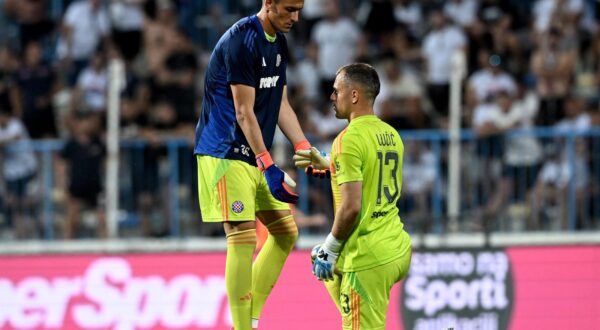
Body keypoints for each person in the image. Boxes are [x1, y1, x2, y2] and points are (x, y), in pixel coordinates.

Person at [194, 1, 315, 329]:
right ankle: (242, 327)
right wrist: (268, 163)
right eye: (289, 9)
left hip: (253, 154)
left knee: (285, 233)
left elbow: (280, 103)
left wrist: (303, 146)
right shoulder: (242, 40)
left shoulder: (279, 42)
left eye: (300, 9)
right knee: (243, 236)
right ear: (269, 3)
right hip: (224, 152)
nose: (296, 17)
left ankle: (250, 319)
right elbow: (244, 111)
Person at [294, 63, 412, 329]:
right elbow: (370, 173)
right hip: (396, 246)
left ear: (354, 95)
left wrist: (332, 247)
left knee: (326, 255)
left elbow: (351, 207)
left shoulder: (347, 140)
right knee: (322, 260)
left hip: (367, 256)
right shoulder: (391, 135)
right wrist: (329, 162)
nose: (332, 97)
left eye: (337, 91)